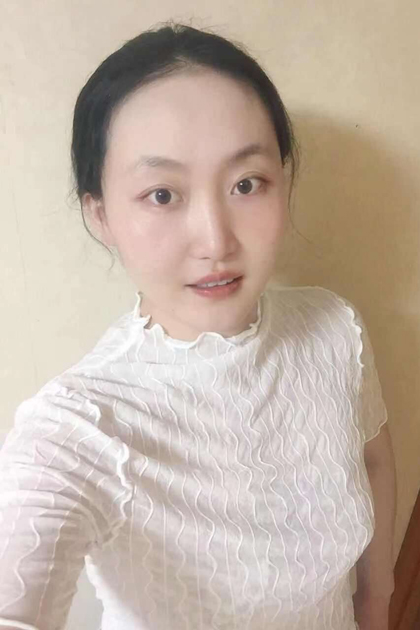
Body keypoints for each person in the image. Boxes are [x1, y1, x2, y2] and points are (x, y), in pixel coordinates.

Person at [0, 20, 396, 630]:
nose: (215, 241)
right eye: (162, 194)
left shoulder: (334, 329)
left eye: (246, 184)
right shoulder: (79, 424)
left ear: (285, 181)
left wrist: (375, 602)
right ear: (100, 215)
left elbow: (374, 464)